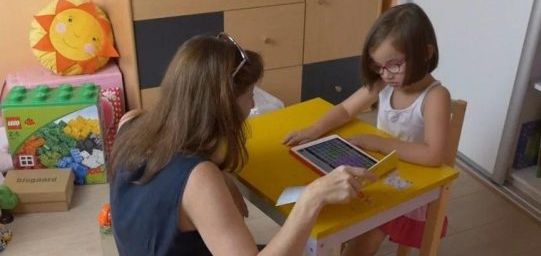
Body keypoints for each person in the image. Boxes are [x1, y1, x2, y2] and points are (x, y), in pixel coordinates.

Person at [109, 33, 377, 256]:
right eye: (249, 95)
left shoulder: (131, 122)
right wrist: (311, 199)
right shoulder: (198, 179)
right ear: (221, 105)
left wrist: (221, 178)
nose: (252, 104)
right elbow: (190, 180)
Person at [283, 3, 451, 255]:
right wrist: (315, 129)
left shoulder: (435, 96)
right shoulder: (384, 83)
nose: (386, 74)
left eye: (394, 65)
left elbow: (433, 154)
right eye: (378, 66)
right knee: (326, 208)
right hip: (376, 173)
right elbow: (346, 109)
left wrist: (376, 142)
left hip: (407, 188)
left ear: (426, 53)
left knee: (360, 243)